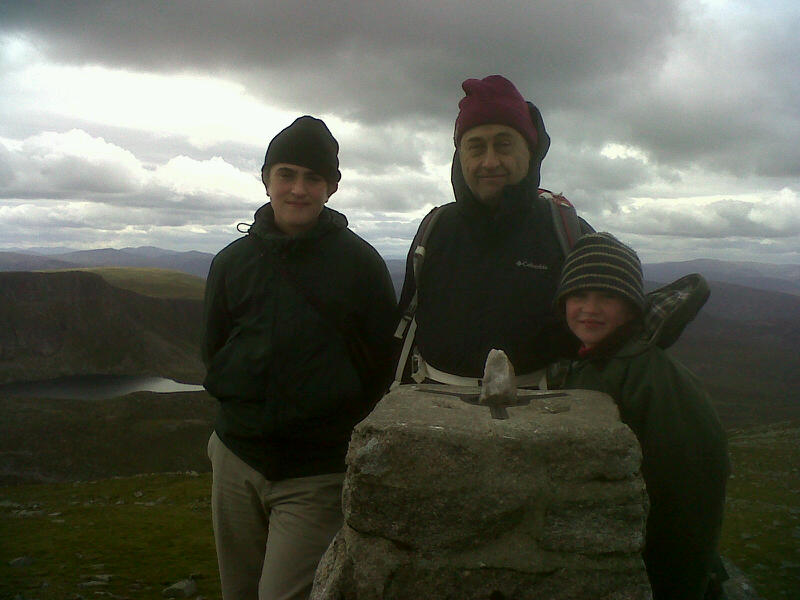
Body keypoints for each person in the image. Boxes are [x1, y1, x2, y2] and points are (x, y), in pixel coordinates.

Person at [202, 115, 397, 600]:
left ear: (332, 188)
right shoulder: (231, 262)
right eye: (286, 174)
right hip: (236, 457)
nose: (297, 189)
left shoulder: (360, 265)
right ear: (267, 178)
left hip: (315, 473)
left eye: (313, 178)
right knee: (238, 591)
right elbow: (214, 347)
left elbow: (382, 363)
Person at [546, 232, 730, 600]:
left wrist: (678, 583)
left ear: (631, 307)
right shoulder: (599, 362)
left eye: (608, 296)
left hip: (657, 569)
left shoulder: (649, 377)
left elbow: (690, 494)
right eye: (579, 295)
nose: (590, 308)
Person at [395, 74, 591, 385]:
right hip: (434, 413)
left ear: (531, 152)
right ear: (461, 157)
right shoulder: (435, 231)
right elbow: (404, 331)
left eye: (504, 145)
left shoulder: (568, 233)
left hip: (544, 415)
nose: (489, 162)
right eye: (476, 147)